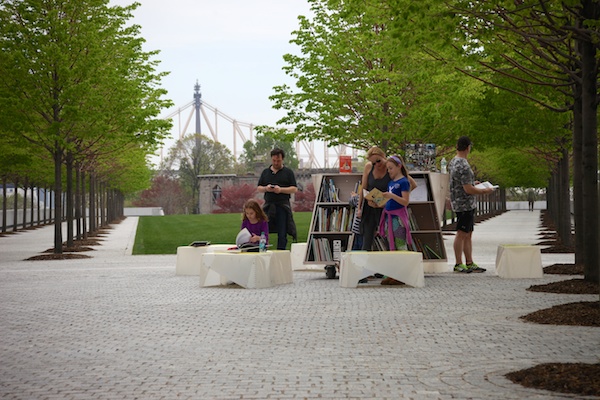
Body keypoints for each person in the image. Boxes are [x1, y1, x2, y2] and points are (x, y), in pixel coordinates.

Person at [448, 136, 495, 273]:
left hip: (459, 201)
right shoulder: (463, 165)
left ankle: (469, 262)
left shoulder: (453, 162)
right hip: (465, 204)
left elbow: (462, 184)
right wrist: (485, 190)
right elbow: (468, 189)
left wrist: (473, 185)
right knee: (462, 233)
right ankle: (458, 263)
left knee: (468, 233)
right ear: (468, 147)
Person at [358, 146, 417, 251]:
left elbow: (410, 183)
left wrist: (397, 198)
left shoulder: (391, 168)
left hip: (386, 208)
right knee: (367, 239)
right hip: (370, 207)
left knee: (389, 238)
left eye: (378, 161)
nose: (377, 165)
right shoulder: (369, 167)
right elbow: (363, 187)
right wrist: (360, 207)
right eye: (373, 163)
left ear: (383, 156)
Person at [257, 148, 298, 250]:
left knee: (282, 232)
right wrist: (266, 188)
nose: (276, 163)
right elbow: (259, 188)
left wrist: (281, 190)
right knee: (263, 230)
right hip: (268, 205)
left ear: (282, 159)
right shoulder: (265, 172)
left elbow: (294, 189)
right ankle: (263, 249)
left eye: (278, 161)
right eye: (274, 160)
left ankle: (281, 251)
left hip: (282, 205)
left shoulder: (288, 172)